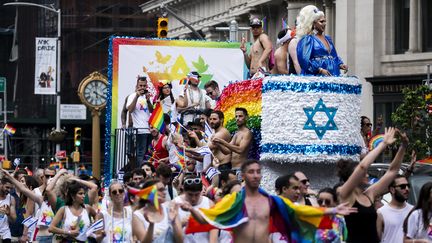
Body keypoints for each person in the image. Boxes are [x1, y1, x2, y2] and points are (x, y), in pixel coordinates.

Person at [181, 159, 356, 243]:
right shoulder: (235, 200)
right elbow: (208, 219)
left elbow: (300, 211)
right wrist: (191, 209)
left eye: (258, 172)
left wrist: (331, 211)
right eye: (251, 172)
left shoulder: (270, 200)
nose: (256, 175)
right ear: (243, 175)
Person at [337, 127, 407, 243]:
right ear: (353, 177)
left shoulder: (369, 193)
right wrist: (383, 144)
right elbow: (362, 166)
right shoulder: (344, 194)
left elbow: (392, 171)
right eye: (363, 174)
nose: (367, 174)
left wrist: (403, 147)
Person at [296, 5, 348, 76]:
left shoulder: (327, 39)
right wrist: (319, 70)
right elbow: (303, 60)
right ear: (314, 23)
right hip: (316, 78)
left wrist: (340, 64)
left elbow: (333, 56)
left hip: (333, 75)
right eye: (321, 21)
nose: (324, 24)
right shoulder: (308, 39)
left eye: (325, 21)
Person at [173, 175, 218, 242]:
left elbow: (213, 230)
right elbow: (168, 231)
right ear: (184, 191)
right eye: (190, 194)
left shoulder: (209, 203)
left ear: (201, 191)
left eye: (197, 194)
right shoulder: (175, 203)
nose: (193, 198)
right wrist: (181, 223)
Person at [377, 175, 413, 243]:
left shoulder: (413, 211)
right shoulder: (381, 213)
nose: (407, 189)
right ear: (392, 190)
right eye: (402, 186)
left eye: (408, 185)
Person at [127, 76, 153, 164]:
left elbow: (152, 111)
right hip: (139, 130)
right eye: (140, 85)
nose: (142, 87)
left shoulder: (148, 96)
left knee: (149, 153)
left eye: (144, 86)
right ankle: (140, 173)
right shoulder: (132, 96)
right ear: (137, 86)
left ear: (146, 86)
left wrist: (148, 101)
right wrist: (136, 96)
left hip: (149, 130)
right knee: (140, 153)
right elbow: (130, 110)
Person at [0, 176, 17, 242]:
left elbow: (13, 220)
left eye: (11, 188)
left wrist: (8, 214)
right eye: (7, 187)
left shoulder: (11, 198)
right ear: (1, 184)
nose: (9, 190)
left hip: (5, 233)